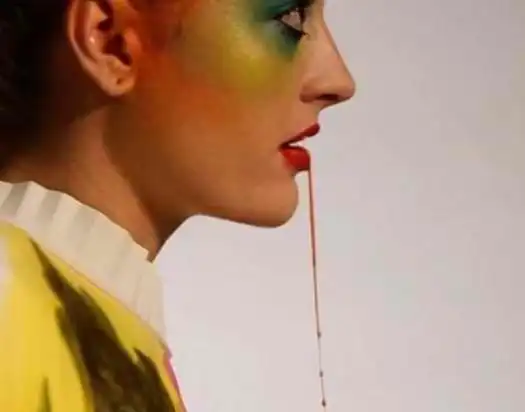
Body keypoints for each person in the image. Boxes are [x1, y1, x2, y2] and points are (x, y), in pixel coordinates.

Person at [0, 0, 355, 409]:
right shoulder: (14, 304)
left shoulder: (105, 324)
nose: (340, 82)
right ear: (111, 40)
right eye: (289, 16)